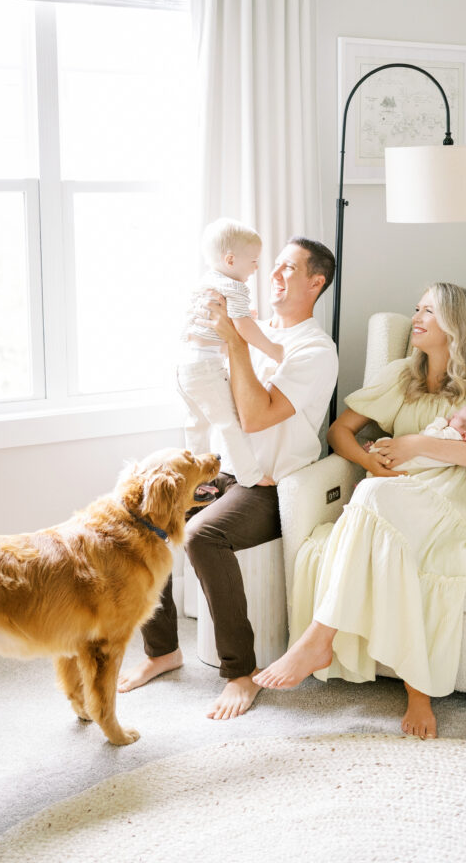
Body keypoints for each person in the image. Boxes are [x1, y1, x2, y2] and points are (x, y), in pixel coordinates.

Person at [254, 282, 466, 741]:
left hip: (457, 497)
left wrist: (419, 444)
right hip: (396, 489)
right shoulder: (401, 375)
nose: (416, 318)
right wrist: (369, 463)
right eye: (416, 308)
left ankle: (319, 639)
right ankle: (415, 689)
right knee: (376, 507)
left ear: (456, 324)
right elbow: (340, 432)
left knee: (371, 500)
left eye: (429, 311)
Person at [118, 237, 338, 721]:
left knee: (202, 536)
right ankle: (162, 651)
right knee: (140, 519)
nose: (274, 274)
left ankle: (241, 672)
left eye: (288, 268)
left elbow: (256, 417)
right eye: (274, 265)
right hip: (224, 471)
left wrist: (236, 340)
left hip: (271, 486)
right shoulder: (251, 328)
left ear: (316, 282)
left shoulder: (315, 351)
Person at [177, 217, 283, 488]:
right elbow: (244, 329)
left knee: (196, 424)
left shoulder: (206, 282)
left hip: (183, 366)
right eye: (254, 260)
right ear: (231, 260)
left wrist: (244, 317)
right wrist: (274, 350)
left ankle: (196, 481)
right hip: (205, 368)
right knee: (229, 423)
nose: (257, 267)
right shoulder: (234, 287)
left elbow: (212, 329)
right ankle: (251, 475)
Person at [366, 404, 466, 473]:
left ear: (465, 435)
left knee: (386, 448)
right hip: (418, 459)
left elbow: (430, 436)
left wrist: (440, 422)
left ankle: (371, 450)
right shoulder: (461, 447)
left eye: (456, 417)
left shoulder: (453, 435)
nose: (453, 415)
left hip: (415, 458)